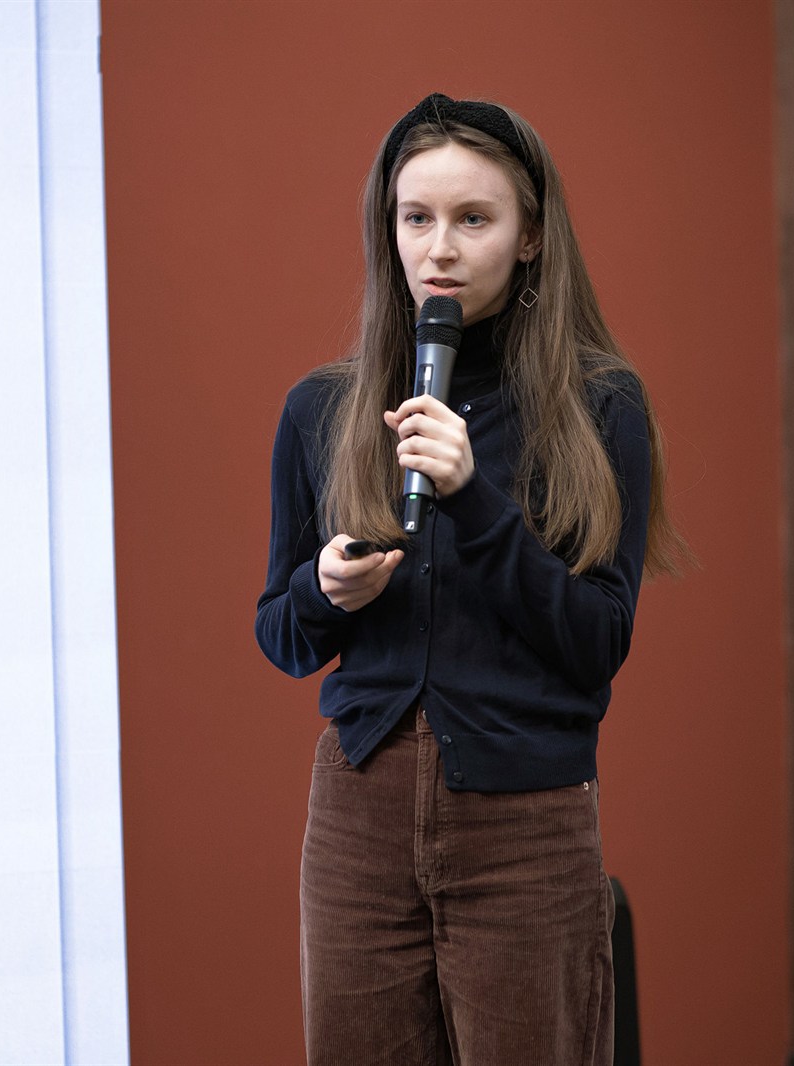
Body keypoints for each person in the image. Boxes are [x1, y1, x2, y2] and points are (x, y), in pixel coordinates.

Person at [254, 93, 690, 1066]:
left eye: (473, 218)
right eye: (416, 217)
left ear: (530, 236)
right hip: (358, 818)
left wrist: (472, 497)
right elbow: (280, 634)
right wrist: (323, 590)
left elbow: (596, 643)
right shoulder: (322, 409)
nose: (439, 248)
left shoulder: (599, 406)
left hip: (525, 822)